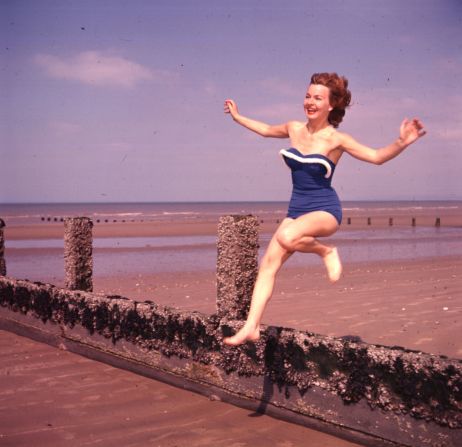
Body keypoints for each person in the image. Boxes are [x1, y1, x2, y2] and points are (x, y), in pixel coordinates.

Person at [222, 72, 426, 346]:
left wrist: (401, 142)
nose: (310, 101)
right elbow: (266, 129)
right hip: (296, 211)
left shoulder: (336, 139)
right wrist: (238, 117)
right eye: (308, 96)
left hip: (325, 211)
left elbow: (376, 157)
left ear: (331, 105)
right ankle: (251, 327)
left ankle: (326, 250)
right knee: (267, 266)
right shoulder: (294, 128)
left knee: (286, 237)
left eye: (318, 97)